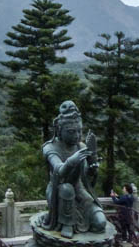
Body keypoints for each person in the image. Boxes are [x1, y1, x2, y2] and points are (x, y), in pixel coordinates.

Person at [41, 101, 107, 239]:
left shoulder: (80, 146)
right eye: (71, 132)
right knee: (66, 188)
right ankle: (66, 223)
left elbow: (87, 176)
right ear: (59, 130)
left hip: (79, 190)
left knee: (100, 223)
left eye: (79, 131)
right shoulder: (50, 147)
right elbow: (59, 171)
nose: (77, 135)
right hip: (58, 191)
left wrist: (93, 167)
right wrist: (72, 160)